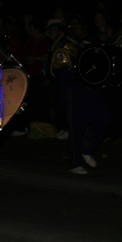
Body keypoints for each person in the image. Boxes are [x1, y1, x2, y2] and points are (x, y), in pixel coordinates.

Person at [50, 15, 110, 174]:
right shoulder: (65, 46)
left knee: (103, 120)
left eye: (84, 28)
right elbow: (56, 70)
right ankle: (74, 162)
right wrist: (73, 75)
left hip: (92, 90)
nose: (82, 31)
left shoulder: (88, 43)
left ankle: (86, 148)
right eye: (79, 29)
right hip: (75, 92)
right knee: (77, 128)